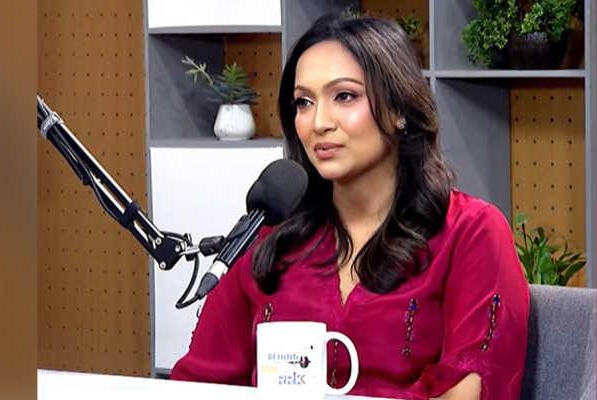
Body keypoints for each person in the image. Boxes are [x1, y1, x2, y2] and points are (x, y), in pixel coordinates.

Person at [170, 13, 530, 400]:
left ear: (399, 109)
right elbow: (198, 385)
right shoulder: (265, 238)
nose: (319, 122)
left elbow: (471, 386)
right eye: (304, 102)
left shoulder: (471, 231)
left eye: (344, 96)